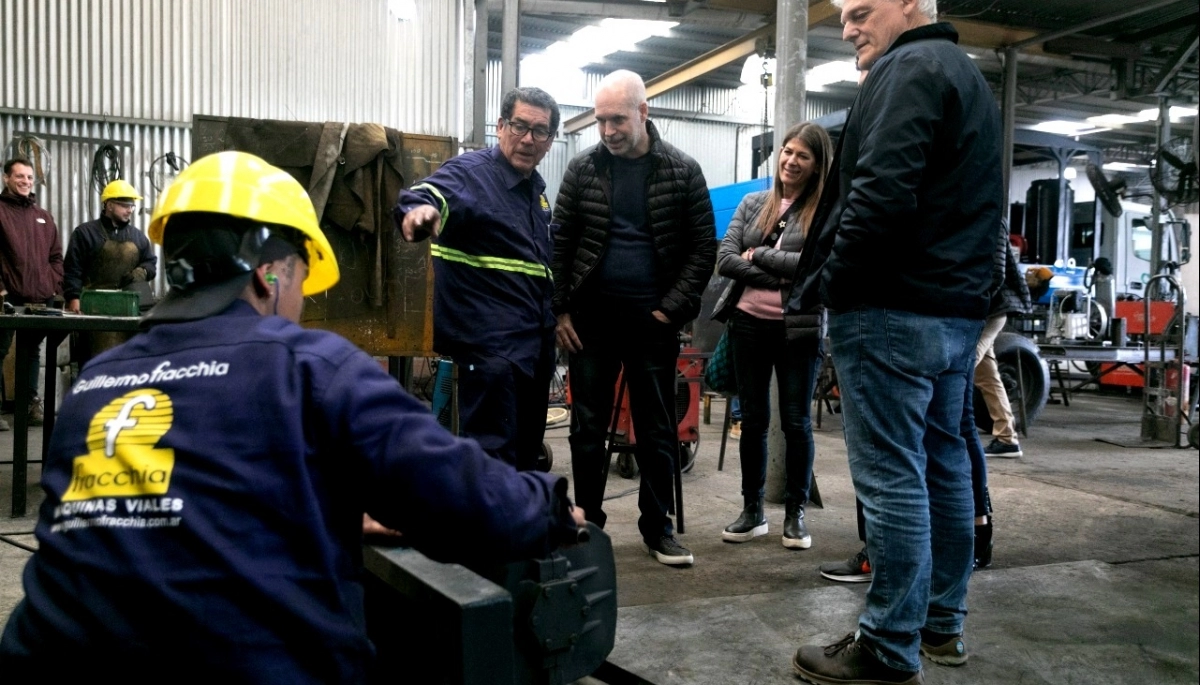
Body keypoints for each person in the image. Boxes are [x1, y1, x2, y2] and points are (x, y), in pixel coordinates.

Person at [0, 151, 585, 682]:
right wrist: (550, 507)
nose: (299, 300)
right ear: (270, 272)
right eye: (302, 277)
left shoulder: (96, 384)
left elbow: (167, 498)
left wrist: (313, 509)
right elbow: (459, 492)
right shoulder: (304, 365)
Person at [786, 0, 1002, 682]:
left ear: (910, 1)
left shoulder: (905, 69)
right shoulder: (964, 73)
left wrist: (836, 284)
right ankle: (943, 625)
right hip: (953, 311)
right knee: (945, 464)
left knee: (893, 476)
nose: (847, 27)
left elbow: (879, 194)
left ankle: (887, 641)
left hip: (892, 308)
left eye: (860, 11)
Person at [552, 69, 716, 567]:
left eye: (617, 119)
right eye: (600, 121)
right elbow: (559, 245)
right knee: (586, 427)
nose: (607, 130)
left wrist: (672, 308)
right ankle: (587, 523)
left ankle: (657, 527)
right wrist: (559, 310)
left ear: (644, 112)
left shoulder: (682, 171)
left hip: (653, 325)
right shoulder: (583, 171)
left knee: (657, 429)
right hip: (591, 323)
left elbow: (701, 248)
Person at [394, 87, 560, 472]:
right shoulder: (472, 174)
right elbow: (427, 193)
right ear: (500, 126)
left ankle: (517, 530)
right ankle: (487, 533)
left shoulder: (535, 193)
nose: (527, 139)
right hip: (491, 350)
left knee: (525, 458)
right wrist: (417, 212)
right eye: (519, 126)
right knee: (492, 461)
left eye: (539, 131)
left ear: (551, 141)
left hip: (532, 349)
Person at [711, 122, 832, 550]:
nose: (790, 161)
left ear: (817, 165)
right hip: (748, 324)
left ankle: (795, 514)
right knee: (754, 421)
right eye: (786, 151)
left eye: (802, 155)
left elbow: (813, 267)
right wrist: (778, 267)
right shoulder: (753, 202)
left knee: (797, 422)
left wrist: (759, 254)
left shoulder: (823, 211)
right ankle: (752, 510)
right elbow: (725, 259)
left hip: (798, 328)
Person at [0, 157, 64, 430]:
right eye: (20, 176)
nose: (25, 181)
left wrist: (51, 283)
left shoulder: (44, 216)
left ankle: (29, 407)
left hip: (40, 296)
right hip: (6, 296)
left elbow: (56, 257)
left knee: (31, 351)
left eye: (29, 177)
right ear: (6, 178)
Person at [63, 179, 157, 313]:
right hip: (92, 307)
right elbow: (72, 270)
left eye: (132, 206)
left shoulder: (138, 237)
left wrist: (142, 272)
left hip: (128, 308)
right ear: (110, 205)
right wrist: (73, 298)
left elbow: (151, 263)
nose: (130, 210)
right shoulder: (85, 233)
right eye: (125, 205)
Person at [978, 239, 1032, 458]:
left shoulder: (990, 219)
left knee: (959, 368)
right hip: (987, 309)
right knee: (987, 378)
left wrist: (975, 302)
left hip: (989, 310)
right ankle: (1007, 438)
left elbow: (996, 273)